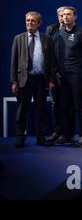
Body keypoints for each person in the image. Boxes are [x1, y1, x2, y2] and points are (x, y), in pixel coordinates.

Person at [10, 12, 55, 148]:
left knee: (40, 110)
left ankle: (41, 138)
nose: (29, 23)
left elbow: (51, 61)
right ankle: (20, 137)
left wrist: (51, 79)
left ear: (39, 23)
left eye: (33, 21)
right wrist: (14, 81)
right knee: (22, 109)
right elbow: (14, 61)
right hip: (24, 79)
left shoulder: (46, 39)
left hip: (41, 79)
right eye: (27, 21)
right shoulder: (19, 39)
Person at [53, 6, 82, 147]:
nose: (65, 17)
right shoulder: (59, 32)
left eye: (68, 14)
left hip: (75, 74)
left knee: (78, 105)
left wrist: (75, 64)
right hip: (61, 75)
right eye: (63, 15)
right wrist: (56, 70)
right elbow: (56, 54)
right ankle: (66, 135)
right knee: (64, 105)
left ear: (75, 17)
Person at [45, 7, 65, 142]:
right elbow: (47, 53)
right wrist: (54, 72)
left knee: (67, 104)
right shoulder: (51, 29)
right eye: (59, 15)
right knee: (55, 104)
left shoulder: (75, 31)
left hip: (69, 74)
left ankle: (66, 133)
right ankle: (57, 132)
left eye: (64, 15)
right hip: (53, 74)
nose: (62, 17)